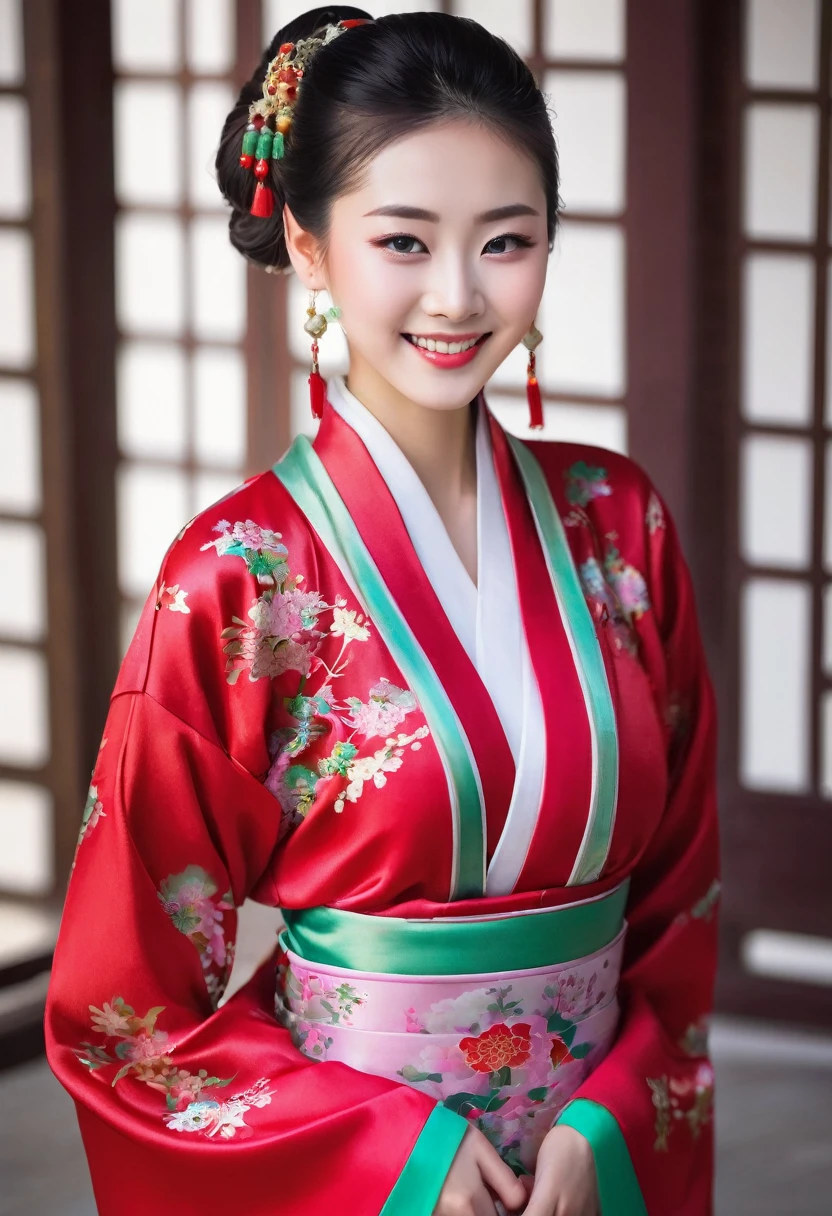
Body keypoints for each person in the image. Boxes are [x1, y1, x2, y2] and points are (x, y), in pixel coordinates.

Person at [45, 9, 720, 1215]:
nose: (457, 296)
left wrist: (607, 1118)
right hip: (360, 1174)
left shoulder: (621, 522)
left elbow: (679, 905)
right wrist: (388, 1158)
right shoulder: (240, 575)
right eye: (403, 240)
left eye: (504, 241)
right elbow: (123, 1014)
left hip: (588, 1169)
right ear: (308, 246)